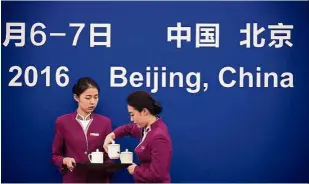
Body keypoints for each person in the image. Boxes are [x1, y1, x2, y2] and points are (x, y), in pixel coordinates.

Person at [51, 77, 112, 183]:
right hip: (74, 179)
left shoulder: (105, 122)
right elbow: (55, 156)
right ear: (76, 97)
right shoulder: (62, 122)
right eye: (88, 98)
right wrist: (65, 160)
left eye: (96, 97)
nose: (93, 102)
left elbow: (109, 157)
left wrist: (108, 166)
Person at [104, 91, 172, 183]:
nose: (131, 119)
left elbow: (158, 175)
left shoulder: (158, 137)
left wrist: (135, 170)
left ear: (144, 111)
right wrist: (111, 135)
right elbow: (128, 129)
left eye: (132, 114)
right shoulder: (146, 128)